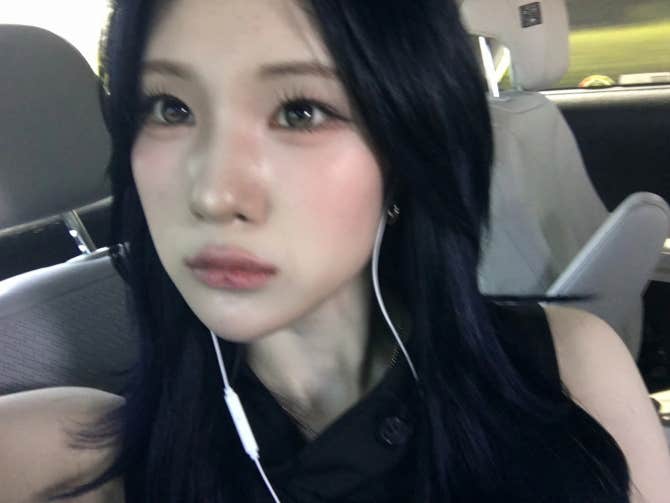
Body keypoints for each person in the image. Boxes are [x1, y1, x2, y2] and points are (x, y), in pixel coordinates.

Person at [1, 0, 669, 501]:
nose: (212, 193)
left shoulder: (570, 366)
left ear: (407, 152)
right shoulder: (67, 458)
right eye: (170, 108)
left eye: (301, 111)